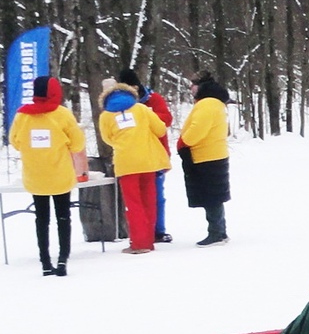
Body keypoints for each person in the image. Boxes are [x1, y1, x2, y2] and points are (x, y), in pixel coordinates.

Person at [6, 76, 88, 276]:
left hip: (35, 176)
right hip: (60, 175)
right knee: (63, 217)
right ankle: (62, 260)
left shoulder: (22, 115)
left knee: (41, 219)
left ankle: (44, 261)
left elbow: (14, 141)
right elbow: (77, 144)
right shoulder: (62, 115)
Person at [97, 79, 171, 254]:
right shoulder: (141, 109)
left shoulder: (106, 115)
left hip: (126, 163)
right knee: (149, 201)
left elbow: (107, 139)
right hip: (148, 161)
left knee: (134, 203)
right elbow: (161, 129)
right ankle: (149, 240)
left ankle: (139, 243)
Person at [116, 67, 174, 243]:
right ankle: (140, 233)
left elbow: (166, 120)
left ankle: (158, 230)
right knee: (136, 199)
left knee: (157, 195)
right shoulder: (121, 104)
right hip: (132, 156)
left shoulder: (153, 99)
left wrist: (144, 116)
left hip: (154, 155)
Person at [176, 71, 232, 246]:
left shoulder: (207, 104)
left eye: (193, 85)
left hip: (206, 155)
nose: (191, 89)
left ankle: (216, 233)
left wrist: (184, 141)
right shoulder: (216, 103)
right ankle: (218, 230)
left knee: (211, 196)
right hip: (214, 153)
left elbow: (198, 129)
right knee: (214, 195)